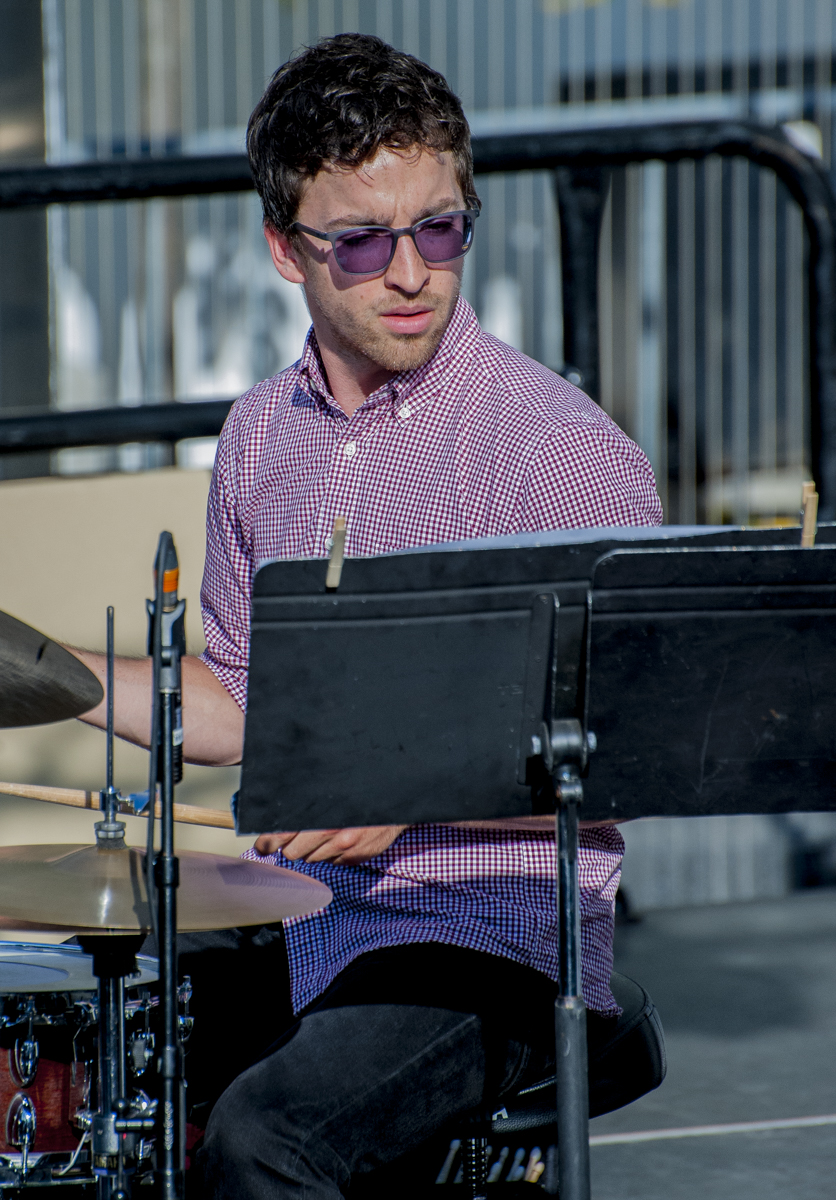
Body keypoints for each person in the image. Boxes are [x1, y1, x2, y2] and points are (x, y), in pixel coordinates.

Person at [73, 32, 662, 1198]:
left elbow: (628, 741)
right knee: (131, 1116)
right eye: (363, 241)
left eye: (439, 227)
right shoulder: (257, 435)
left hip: (492, 931)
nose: (411, 271)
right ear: (285, 251)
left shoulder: (555, 455)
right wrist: (60, 680)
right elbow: (243, 698)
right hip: (313, 922)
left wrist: (400, 808)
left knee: (267, 1141)